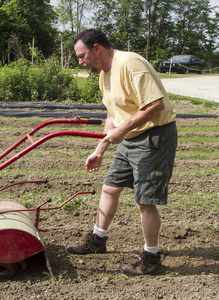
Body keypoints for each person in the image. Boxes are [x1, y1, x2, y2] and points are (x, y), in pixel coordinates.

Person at [66, 29, 178, 276]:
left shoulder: (129, 63)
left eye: (82, 55)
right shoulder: (104, 75)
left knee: (144, 201)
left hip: (154, 136)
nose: (80, 61)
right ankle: (98, 240)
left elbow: (156, 104)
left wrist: (121, 131)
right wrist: (100, 149)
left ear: (97, 48)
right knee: (110, 188)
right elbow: (112, 114)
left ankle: (152, 259)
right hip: (131, 136)